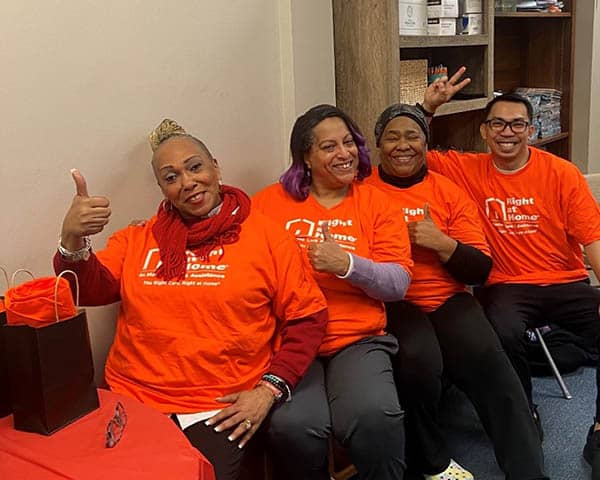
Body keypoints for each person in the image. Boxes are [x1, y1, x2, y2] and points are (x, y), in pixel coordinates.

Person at [54, 119, 328, 480]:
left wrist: (267, 391)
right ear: (162, 188)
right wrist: (71, 238)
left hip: (219, 406)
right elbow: (88, 289)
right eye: (171, 177)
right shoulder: (140, 237)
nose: (187, 182)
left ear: (215, 167)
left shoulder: (266, 236)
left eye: (195, 167)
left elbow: (308, 319)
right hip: (133, 397)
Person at [422, 69, 600, 475]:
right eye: (498, 123)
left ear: (531, 130)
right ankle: (523, 410)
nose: (508, 131)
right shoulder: (465, 170)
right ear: (484, 131)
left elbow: (593, 239)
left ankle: (599, 427)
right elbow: (410, 148)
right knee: (500, 329)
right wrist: (428, 108)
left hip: (565, 280)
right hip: (505, 286)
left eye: (517, 123)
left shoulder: (561, 173)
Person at [366, 103, 548, 480]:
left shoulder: (447, 191)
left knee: (490, 363)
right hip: (392, 303)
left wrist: (441, 242)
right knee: (419, 362)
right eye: (392, 136)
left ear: (426, 143)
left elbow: (480, 269)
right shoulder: (361, 191)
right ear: (378, 144)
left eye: (413, 136)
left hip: (448, 297)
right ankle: (430, 462)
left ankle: (528, 471)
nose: (403, 145)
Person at [252, 104, 413, 480]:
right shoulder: (266, 205)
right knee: (295, 426)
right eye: (328, 147)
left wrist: (347, 265)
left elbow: (398, 284)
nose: (344, 153)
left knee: (374, 416)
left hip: (356, 339)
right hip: (289, 340)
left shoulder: (376, 204)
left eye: (348, 143)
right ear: (305, 158)